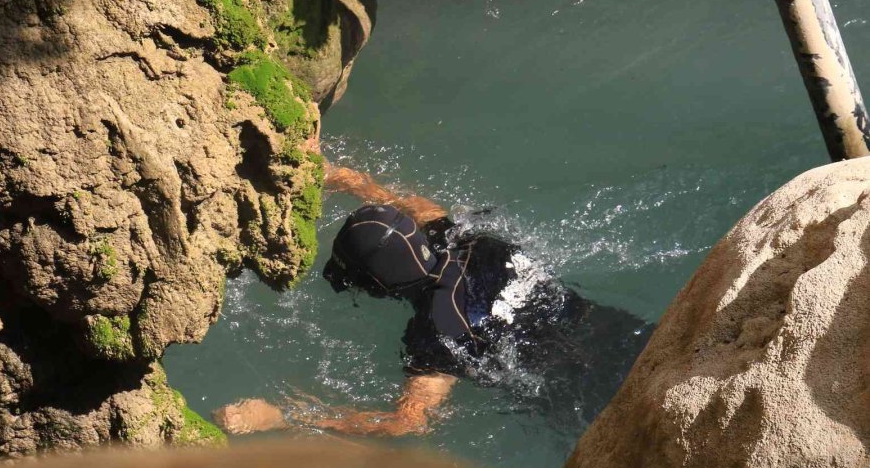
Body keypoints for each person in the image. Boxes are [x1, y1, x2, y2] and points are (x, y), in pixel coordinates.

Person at [212, 165, 652, 437]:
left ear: (379, 288)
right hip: (624, 335)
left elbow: (409, 423)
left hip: (584, 400)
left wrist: (287, 417)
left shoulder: (436, 335)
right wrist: (340, 177)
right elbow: (411, 208)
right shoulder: (473, 241)